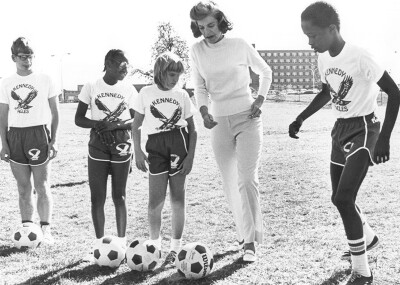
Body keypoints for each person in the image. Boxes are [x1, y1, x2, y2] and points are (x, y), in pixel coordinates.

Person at [289, 2, 400, 284]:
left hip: (364, 129)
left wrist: (385, 137)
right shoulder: (324, 58)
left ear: (332, 29)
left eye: (313, 35)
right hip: (340, 130)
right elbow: (327, 92)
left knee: (343, 198)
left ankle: (362, 270)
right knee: (339, 199)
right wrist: (300, 118)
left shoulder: (360, 56)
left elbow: (394, 92)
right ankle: (370, 240)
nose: (310, 42)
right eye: (306, 36)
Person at [189, 1, 272, 262]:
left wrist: (260, 99)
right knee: (229, 183)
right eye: (201, 27)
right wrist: (203, 111)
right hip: (217, 120)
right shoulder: (196, 50)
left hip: (247, 117)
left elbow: (265, 71)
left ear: (221, 21)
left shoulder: (239, 45)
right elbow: (199, 87)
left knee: (246, 179)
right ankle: (244, 233)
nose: (207, 31)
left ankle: (250, 243)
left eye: (211, 25)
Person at [132, 52, 197, 266]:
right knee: (155, 202)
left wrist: (190, 158)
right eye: (171, 74)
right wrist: (138, 152)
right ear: (160, 72)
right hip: (155, 147)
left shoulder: (182, 95)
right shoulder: (145, 93)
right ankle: (154, 245)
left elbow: (193, 131)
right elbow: (136, 125)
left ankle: (176, 247)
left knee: (178, 199)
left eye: (178, 75)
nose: (175, 79)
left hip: (179, 143)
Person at [75, 49, 137, 253]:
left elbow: (137, 120)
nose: (125, 70)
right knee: (97, 197)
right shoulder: (91, 86)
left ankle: (122, 242)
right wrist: (99, 124)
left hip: (121, 144)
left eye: (127, 66)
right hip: (98, 142)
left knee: (119, 195)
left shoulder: (129, 89)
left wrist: (115, 126)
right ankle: (99, 243)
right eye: (122, 66)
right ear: (109, 64)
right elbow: (79, 118)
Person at [0, 37, 59, 244]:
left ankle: (46, 230)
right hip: (15, 136)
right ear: (13, 57)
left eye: (30, 56)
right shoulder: (6, 83)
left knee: (42, 185)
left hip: (38, 134)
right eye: (22, 56)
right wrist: (4, 143)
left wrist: (54, 140)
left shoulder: (45, 79)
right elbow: (3, 116)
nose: (27, 60)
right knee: (23, 188)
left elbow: (55, 112)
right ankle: (27, 228)